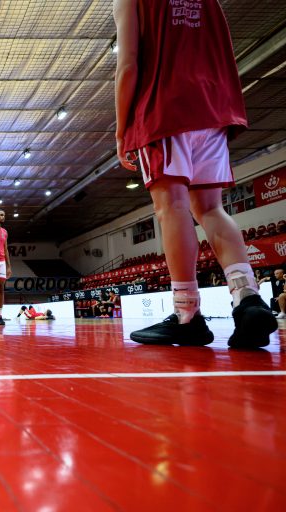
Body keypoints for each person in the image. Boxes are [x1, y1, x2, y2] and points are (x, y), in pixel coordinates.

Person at [115, 0, 277, 347]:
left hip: (163, 106)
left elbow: (128, 64)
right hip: (212, 108)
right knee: (211, 209)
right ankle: (247, 298)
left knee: (171, 207)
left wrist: (121, 129)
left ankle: (186, 314)